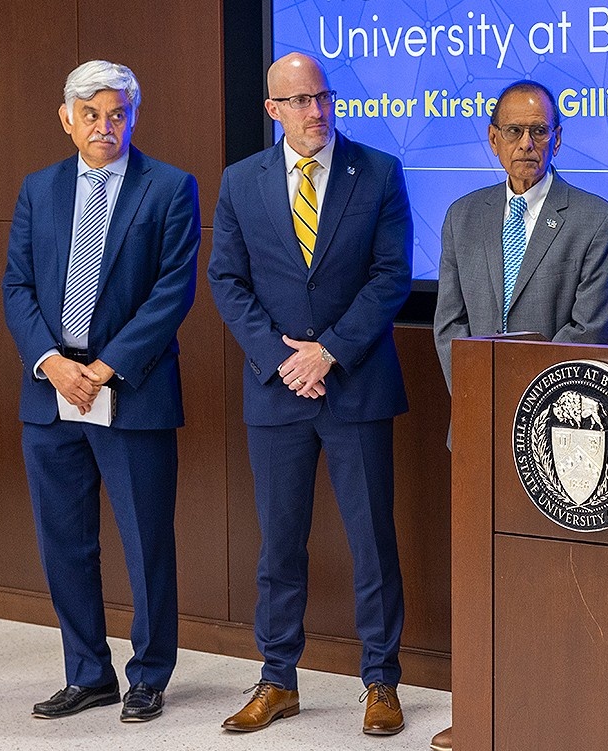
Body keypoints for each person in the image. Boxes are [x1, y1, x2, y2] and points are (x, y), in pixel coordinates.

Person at [208, 51, 412, 736]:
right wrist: (282, 358)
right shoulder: (241, 182)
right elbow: (226, 281)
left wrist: (328, 350)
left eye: (321, 97)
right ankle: (277, 678)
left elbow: (390, 276)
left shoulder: (377, 170)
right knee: (279, 544)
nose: (314, 111)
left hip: (355, 383)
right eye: (297, 101)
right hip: (276, 390)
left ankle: (381, 680)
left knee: (371, 541)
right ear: (272, 110)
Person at [1, 60, 200, 723]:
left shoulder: (170, 187)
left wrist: (105, 367)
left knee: (146, 542)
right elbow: (17, 287)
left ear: (132, 116)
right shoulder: (38, 189)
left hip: (133, 391)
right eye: (91, 114)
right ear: (67, 119)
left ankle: (148, 674)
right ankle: (87, 672)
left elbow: (172, 290)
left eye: (117, 114)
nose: (104, 126)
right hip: (51, 394)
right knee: (64, 542)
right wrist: (53, 363)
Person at [428, 78, 608, 751]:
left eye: (538, 131)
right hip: (477, 431)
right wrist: (485, 404)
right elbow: (448, 324)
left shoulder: (595, 218)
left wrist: (524, 409)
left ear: (558, 138)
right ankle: (481, 710)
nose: (526, 143)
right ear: (491, 139)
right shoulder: (462, 215)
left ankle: (556, 713)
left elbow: (586, 331)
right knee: (481, 578)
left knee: (553, 579)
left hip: (559, 436)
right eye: (513, 131)